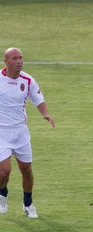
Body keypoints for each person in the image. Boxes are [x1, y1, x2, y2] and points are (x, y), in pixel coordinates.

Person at [0, 48, 55, 219]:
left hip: (20, 132)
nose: (19, 61)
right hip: (1, 132)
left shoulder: (28, 80)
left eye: (21, 58)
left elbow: (38, 99)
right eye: (15, 58)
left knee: (26, 169)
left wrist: (45, 113)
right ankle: (2, 194)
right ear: (6, 61)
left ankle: (28, 203)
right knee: (4, 171)